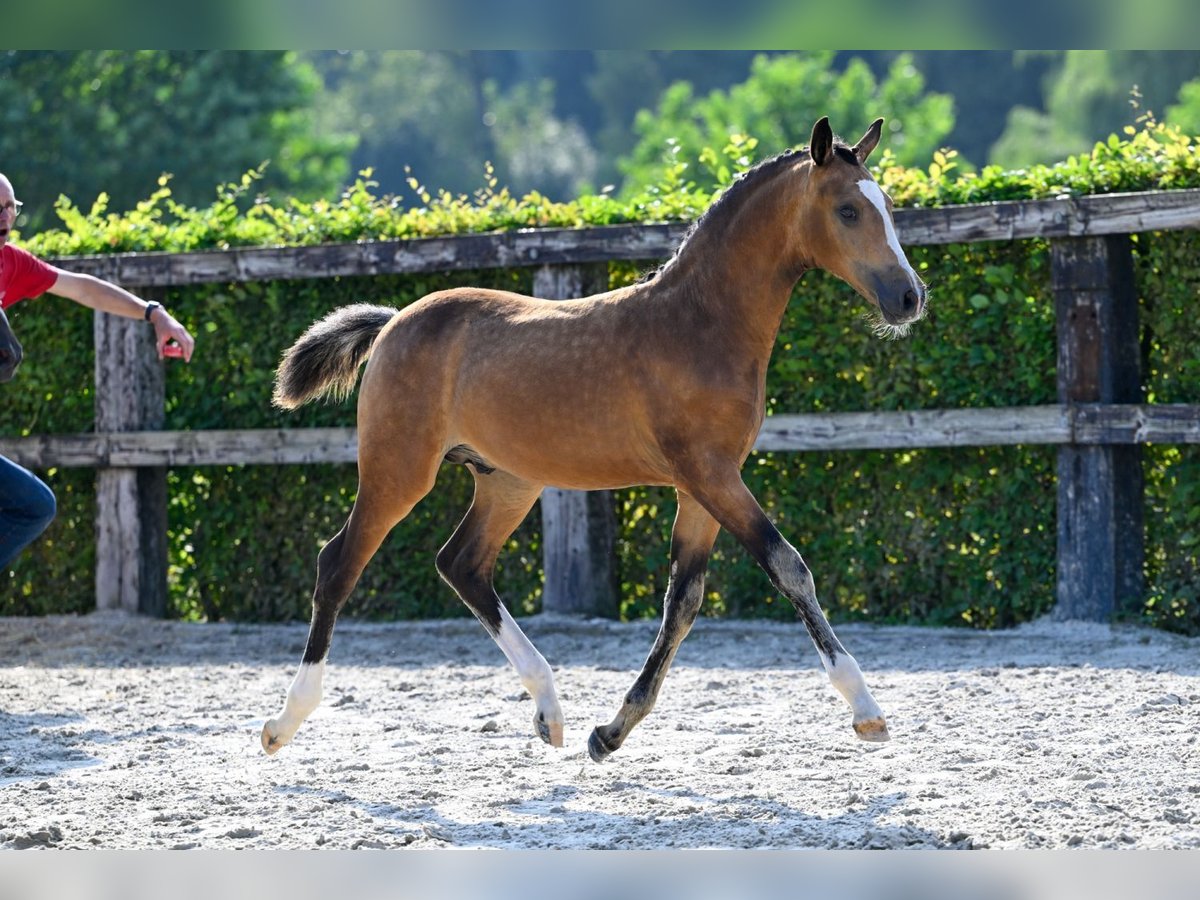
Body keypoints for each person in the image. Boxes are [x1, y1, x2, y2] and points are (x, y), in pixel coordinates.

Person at [0, 172, 195, 569]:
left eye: (11, 208)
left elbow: (82, 288)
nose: (6, 217)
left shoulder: (10, 265)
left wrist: (153, 313)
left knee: (34, 506)